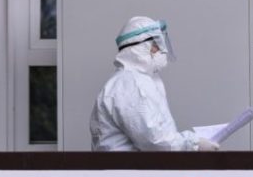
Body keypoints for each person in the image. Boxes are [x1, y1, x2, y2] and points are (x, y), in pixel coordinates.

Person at [90, 16, 220, 151]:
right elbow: (154, 141)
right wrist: (194, 144)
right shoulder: (131, 84)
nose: (161, 50)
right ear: (144, 47)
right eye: (156, 45)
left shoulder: (135, 80)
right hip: (127, 170)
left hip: (130, 169)